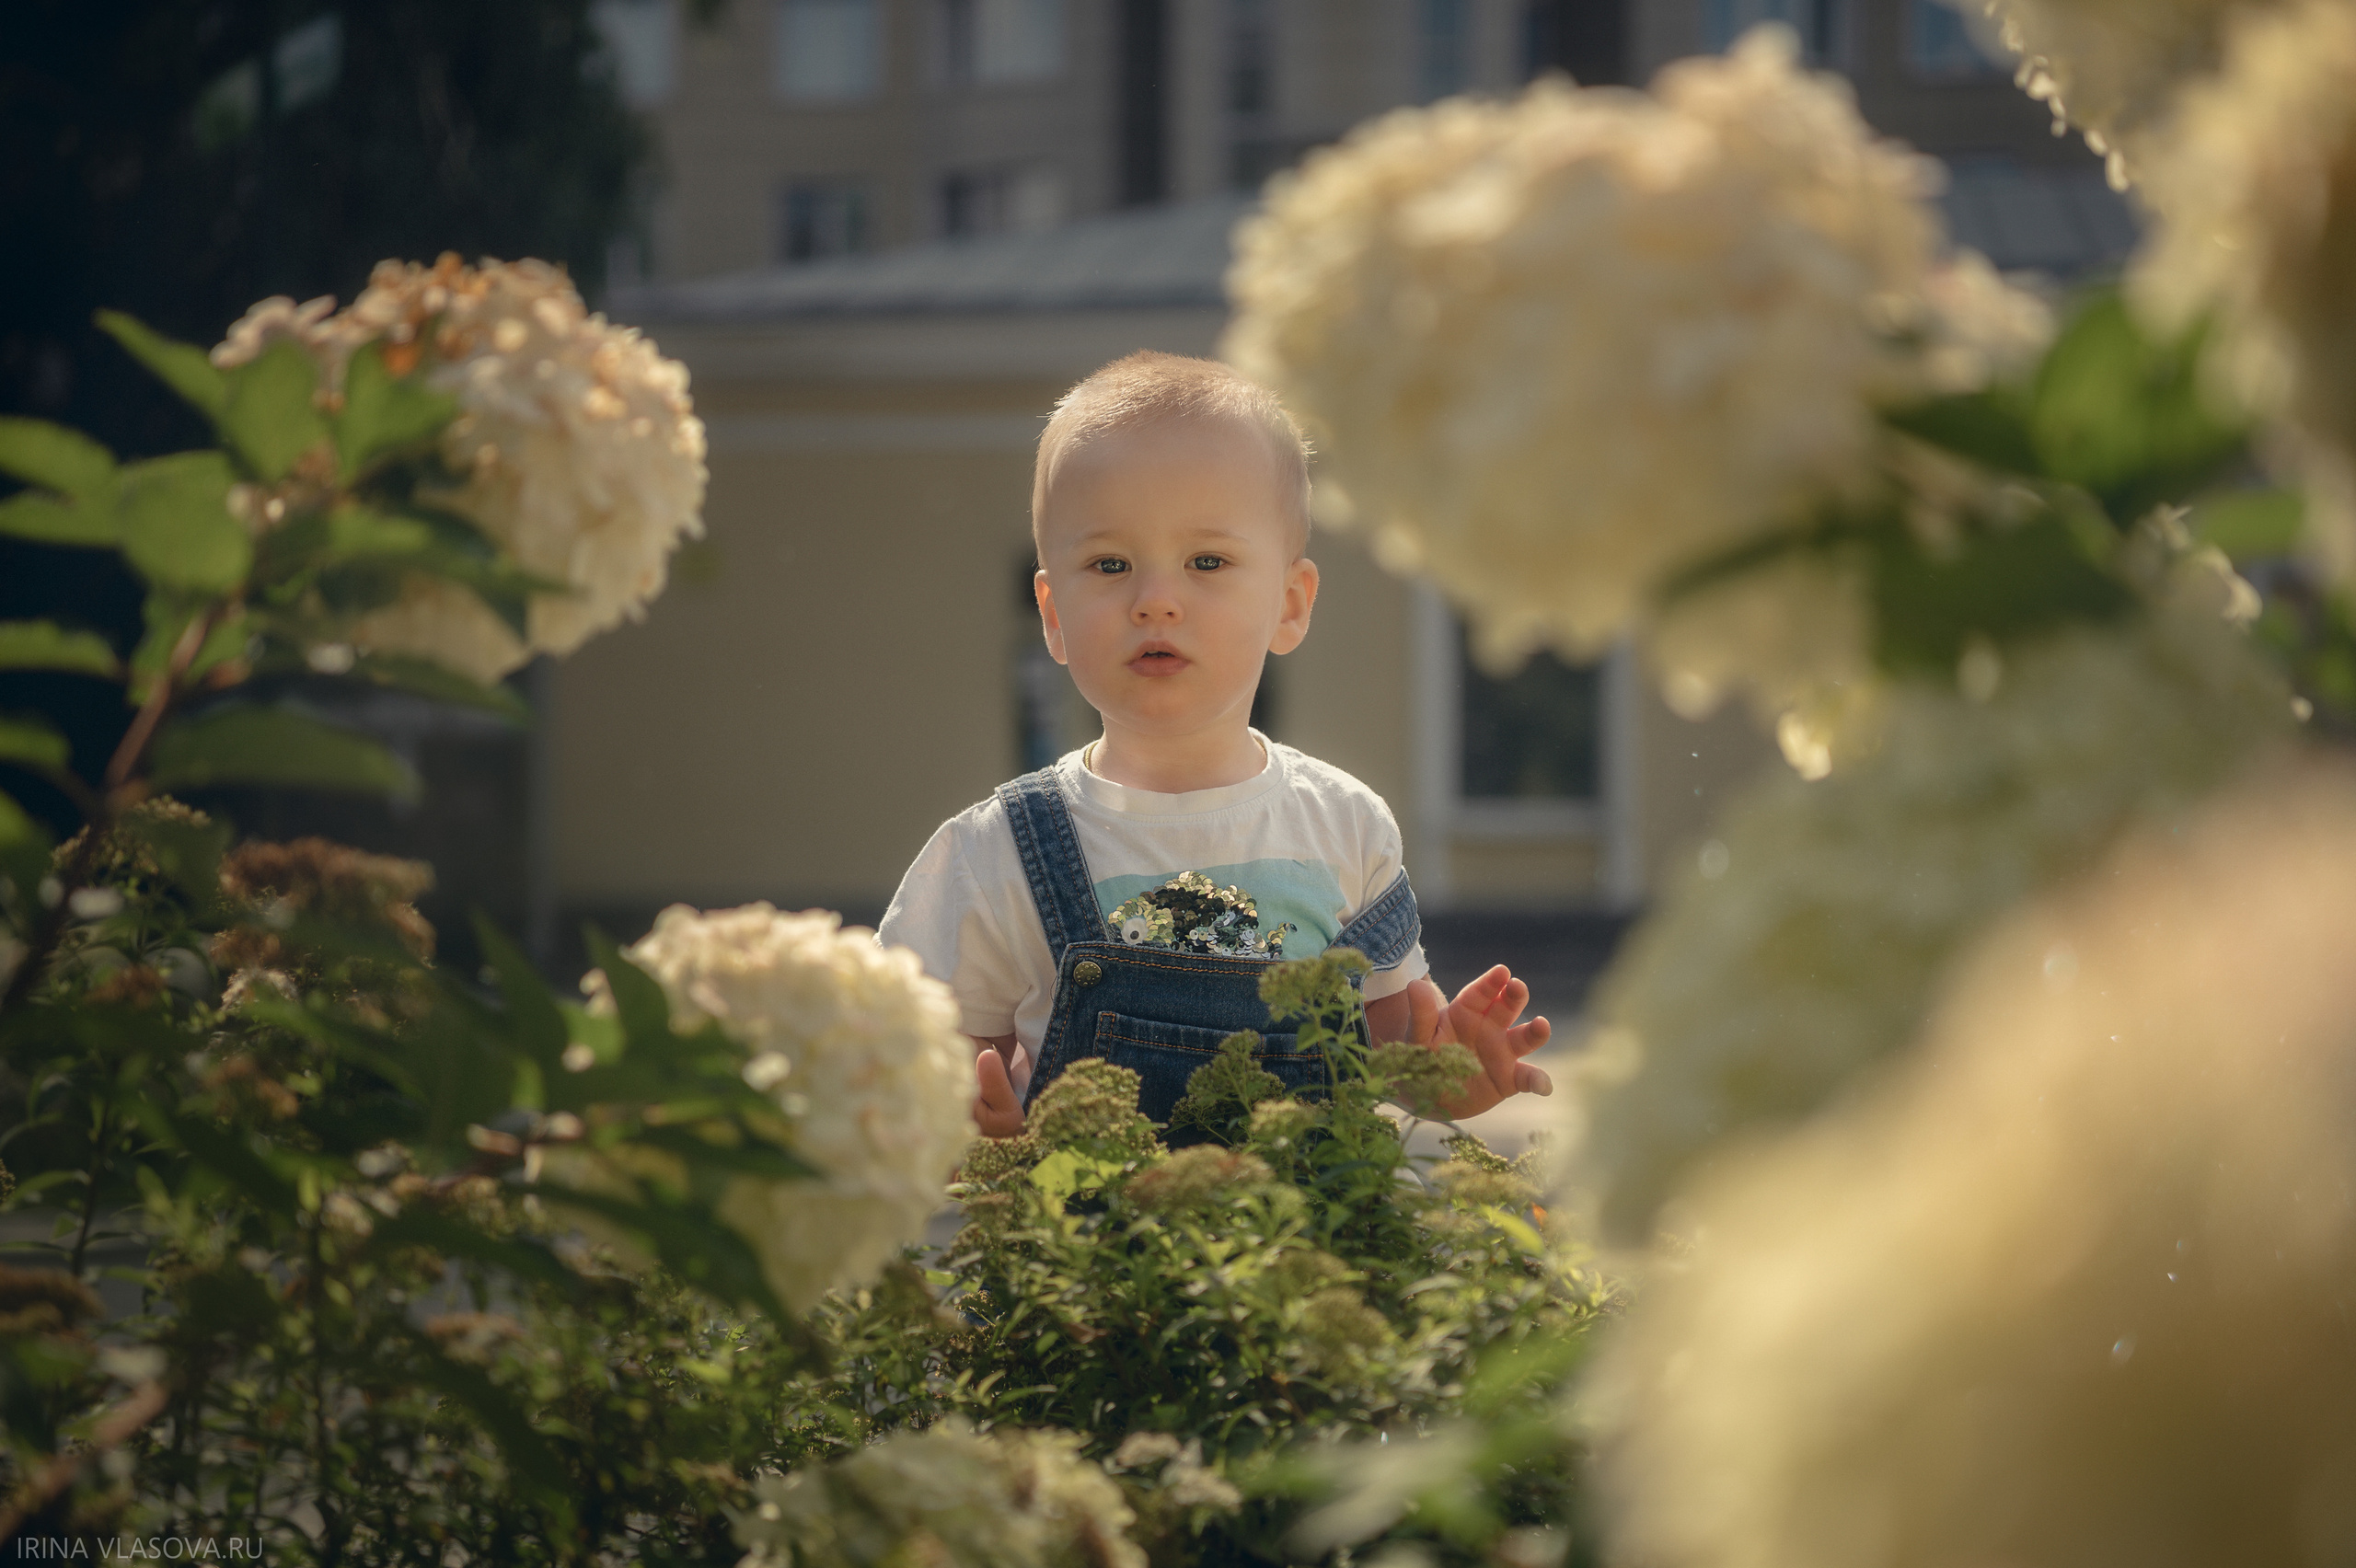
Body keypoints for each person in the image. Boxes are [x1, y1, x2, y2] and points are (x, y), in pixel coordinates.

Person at [879, 351, 1553, 1138]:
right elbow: (931, 1077)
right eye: (1110, 564)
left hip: (1310, 1259)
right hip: (1089, 1258)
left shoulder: (1343, 826)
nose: (1156, 600)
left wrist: (1452, 1075)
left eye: (1207, 561)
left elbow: (1393, 1037)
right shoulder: (988, 859)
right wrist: (968, 1125)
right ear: (1053, 612)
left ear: (1291, 605)